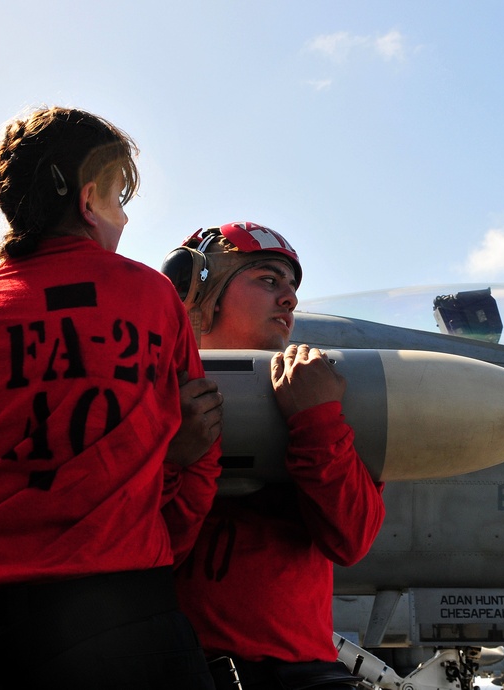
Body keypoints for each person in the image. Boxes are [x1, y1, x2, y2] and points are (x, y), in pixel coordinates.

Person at [0, 107, 220, 689]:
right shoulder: (151, 296)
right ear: (89, 199)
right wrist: (155, 546)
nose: (123, 221)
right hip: (125, 615)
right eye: (121, 199)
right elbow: (202, 445)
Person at [161, 222, 385, 690]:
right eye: (267, 280)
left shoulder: (328, 390)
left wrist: (318, 419)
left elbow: (351, 539)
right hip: (188, 671)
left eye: (291, 286)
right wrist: (178, 458)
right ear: (203, 291)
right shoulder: (150, 391)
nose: (290, 299)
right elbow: (150, 550)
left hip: (305, 674)